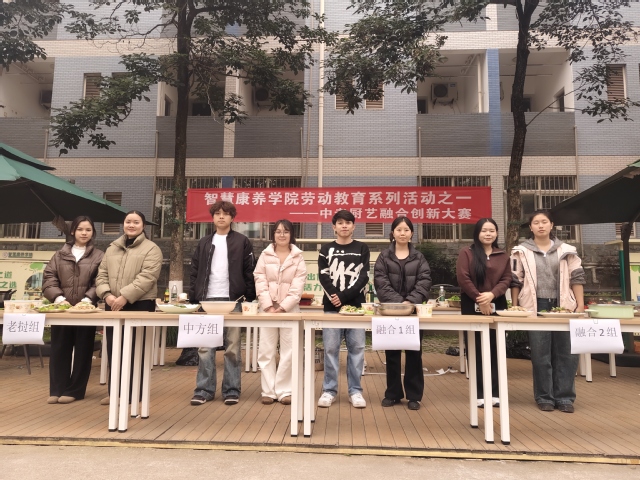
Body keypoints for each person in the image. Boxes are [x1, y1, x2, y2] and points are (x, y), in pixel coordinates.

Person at [511, 209, 586, 413]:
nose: (541, 226)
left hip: (564, 306)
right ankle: (544, 397)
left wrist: (580, 305)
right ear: (531, 227)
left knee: (567, 353)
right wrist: (515, 305)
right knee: (540, 354)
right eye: (536, 222)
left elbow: (577, 277)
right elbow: (515, 279)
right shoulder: (520, 251)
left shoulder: (568, 250)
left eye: (544, 222)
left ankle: (565, 398)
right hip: (535, 306)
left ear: (552, 225)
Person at [189, 200, 256, 406]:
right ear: (212, 217)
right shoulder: (204, 242)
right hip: (207, 300)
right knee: (205, 348)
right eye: (217, 213)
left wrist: (249, 296)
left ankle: (231, 390)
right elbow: (194, 270)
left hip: (233, 300)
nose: (221, 217)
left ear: (232, 218)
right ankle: (204, 390)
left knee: (233, 348)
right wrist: (194, 297)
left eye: (225, 214)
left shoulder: (242, 241)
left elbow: (249, 270)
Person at [96, 210, 163, 405]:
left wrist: (124, 297)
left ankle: (134, 393)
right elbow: (101, 275)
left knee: (136, 349)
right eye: (128, 222)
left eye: (136, 222)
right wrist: (107, 295)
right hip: (113, 304)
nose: (131, 225)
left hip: (140, 303)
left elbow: (148, 277)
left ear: (143, 226)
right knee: (114, 348)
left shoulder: (152, 249)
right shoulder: (112, 248)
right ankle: (114, 392)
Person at [42, 216, 104, 404]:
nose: (84, 233)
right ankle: (57, 389)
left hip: (87, 311)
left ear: (93, 233)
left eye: (88, 230)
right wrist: (59, 299)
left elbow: (101, 281)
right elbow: (49, 278)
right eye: (80, 229)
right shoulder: (59, 255)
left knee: (83, 350)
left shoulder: (99, 256)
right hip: (62, 311)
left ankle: (75, 390)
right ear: (72, 231)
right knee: (59, 348)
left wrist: (87, 300)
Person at [374, 217, 431, 411]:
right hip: (391, 313)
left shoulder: (419, 257)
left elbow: (424, 281)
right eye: (399, 229)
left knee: (414, 354)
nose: (402, 233)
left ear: (411, 233)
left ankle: (414, 396)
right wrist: (400, 304)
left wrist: (411, 302)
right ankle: (393, 394)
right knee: (392, 354)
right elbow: (381, 283)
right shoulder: (384, 257)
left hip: (413, 313)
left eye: (406, 230)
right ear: (393, 233)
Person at [317, 210, 370, 409]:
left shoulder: (362, 248)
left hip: (356, 308)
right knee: (330, 349)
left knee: (357, 349)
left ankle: (355, 391)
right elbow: (323, 276)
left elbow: (363, 277)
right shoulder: (326, 249)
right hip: (331, 307)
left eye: (348, 223)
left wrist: (344, 297)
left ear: (354, 226)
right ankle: (329, 390)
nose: (344, 226)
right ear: (334, 227)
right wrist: (335, 296)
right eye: (340, 223)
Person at [456, 217, 511, 408]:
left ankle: (495, 392)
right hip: (471, 303)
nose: (488, 234)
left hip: (497, 302)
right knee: (476, 347)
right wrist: (481, 299)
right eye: (484, 230)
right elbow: (463, 278)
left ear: (497, 233)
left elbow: (507, 279)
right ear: (477, 233)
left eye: (492, 231)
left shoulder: (502, 255)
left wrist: (492, 295)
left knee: (496, 348)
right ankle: (479, 392)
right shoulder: (467, 253)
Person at [254, 219, 307, 405]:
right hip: (267, 309)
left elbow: (298, 286)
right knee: (266, 350)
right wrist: (268, 305)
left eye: (286, 231)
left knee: (289, 351)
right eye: (278, 231)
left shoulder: (298, 257)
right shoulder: (265, 255)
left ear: (292, 234)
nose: (282, 235)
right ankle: (268, 391)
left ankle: (285, 391)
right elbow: (259, 280)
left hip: (290, 310)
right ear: (273, 234)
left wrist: (283, 307)